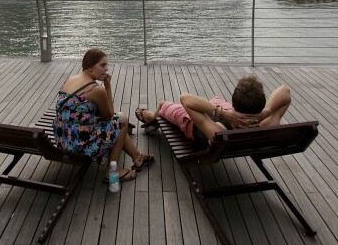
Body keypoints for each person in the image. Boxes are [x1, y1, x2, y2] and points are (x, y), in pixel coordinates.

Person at [55, 48, 154, 182]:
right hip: (80, 143)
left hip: (64, 138)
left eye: (106, 65)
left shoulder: (71, 79)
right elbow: (109, 116)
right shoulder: (96, 89)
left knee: (117, 122)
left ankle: (138, 157)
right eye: (102, 65)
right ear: (90, 66)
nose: (106, 69)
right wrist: (107, 85)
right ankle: (112, 171)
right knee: (122, 119)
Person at [135, 76, 291, 150]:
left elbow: (185, 98)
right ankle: (217, 106)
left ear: (234, 104)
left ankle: (151, 115)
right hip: (229, 118)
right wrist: (266, 112)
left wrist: (224, 114)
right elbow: (285, 91)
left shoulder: (219, 132)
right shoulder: (267, 124)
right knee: (214, 102)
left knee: (164, 105)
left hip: (190, 122)